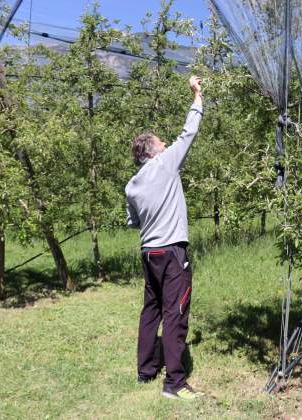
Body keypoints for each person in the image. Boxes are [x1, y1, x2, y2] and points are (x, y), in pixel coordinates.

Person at [125, 75, 204, 401]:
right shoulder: (166, 164)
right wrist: (197, 95)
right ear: (152, 152)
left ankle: (146, 371)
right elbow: (189, 132)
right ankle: (174, 384)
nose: (167, 144)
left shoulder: (132, 185)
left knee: (151, 310)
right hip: (172, 253)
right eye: (161, 143)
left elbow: (134, 222)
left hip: (149, 254)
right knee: (176, 313)